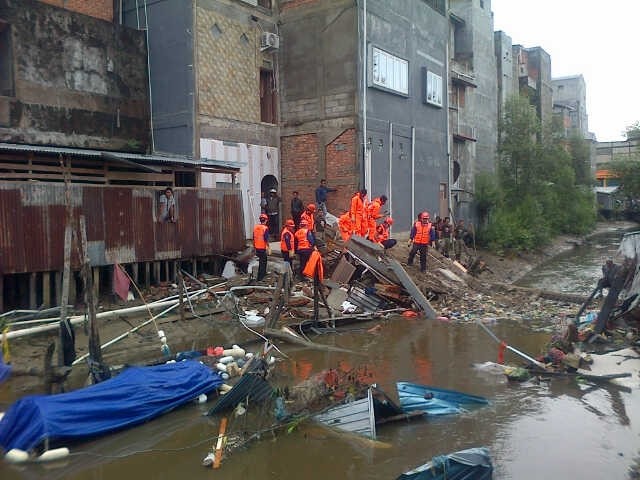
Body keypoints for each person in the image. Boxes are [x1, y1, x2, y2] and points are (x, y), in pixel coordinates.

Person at [253, 213, 271, 281]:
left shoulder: (255, 227)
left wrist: (254, 247)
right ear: (266, 220)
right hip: (262, 248)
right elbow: (266, 239)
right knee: (263, 262)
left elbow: (254, 238)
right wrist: (268, 247)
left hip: (257, 248)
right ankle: (261, 277)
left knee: (261, 261)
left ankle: (261, 275)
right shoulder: (265, 228)